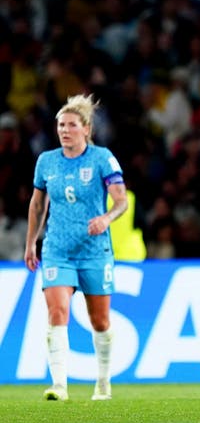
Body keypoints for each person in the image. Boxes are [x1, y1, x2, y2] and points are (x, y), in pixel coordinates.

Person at [24, 94, 129, 402]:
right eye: (60, 125)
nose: (64, 130)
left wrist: (106, 218)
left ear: (86, 128)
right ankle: (59, 384)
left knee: (100, 322)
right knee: (57, 311)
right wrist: (32, 242)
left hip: (95, 251)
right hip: (57, 249)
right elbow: (38, 203)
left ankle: (103, 383)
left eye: (71, 125)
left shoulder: (102, 159)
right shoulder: (46, 161)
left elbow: (121, 200)